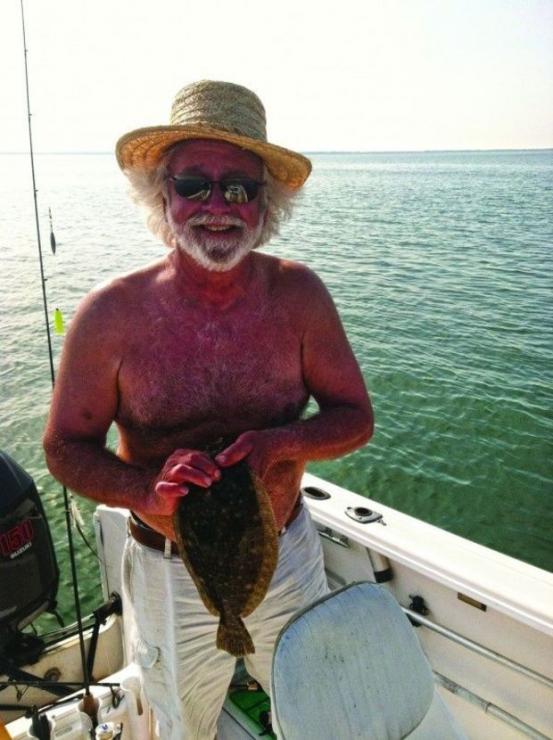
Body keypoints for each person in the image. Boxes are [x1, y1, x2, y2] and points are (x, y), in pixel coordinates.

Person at [43, 80, 373, 738]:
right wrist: (144, 487)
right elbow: (64, 448)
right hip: (169, 573)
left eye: (239, 188)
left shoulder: (300, 295)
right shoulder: (111, 316)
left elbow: (354, 418)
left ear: (264, 203)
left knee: (321, 709)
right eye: (194, 183)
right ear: (162, 196)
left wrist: (278, 443)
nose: (216, 205)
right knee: (183, 724)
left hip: (286, 553)